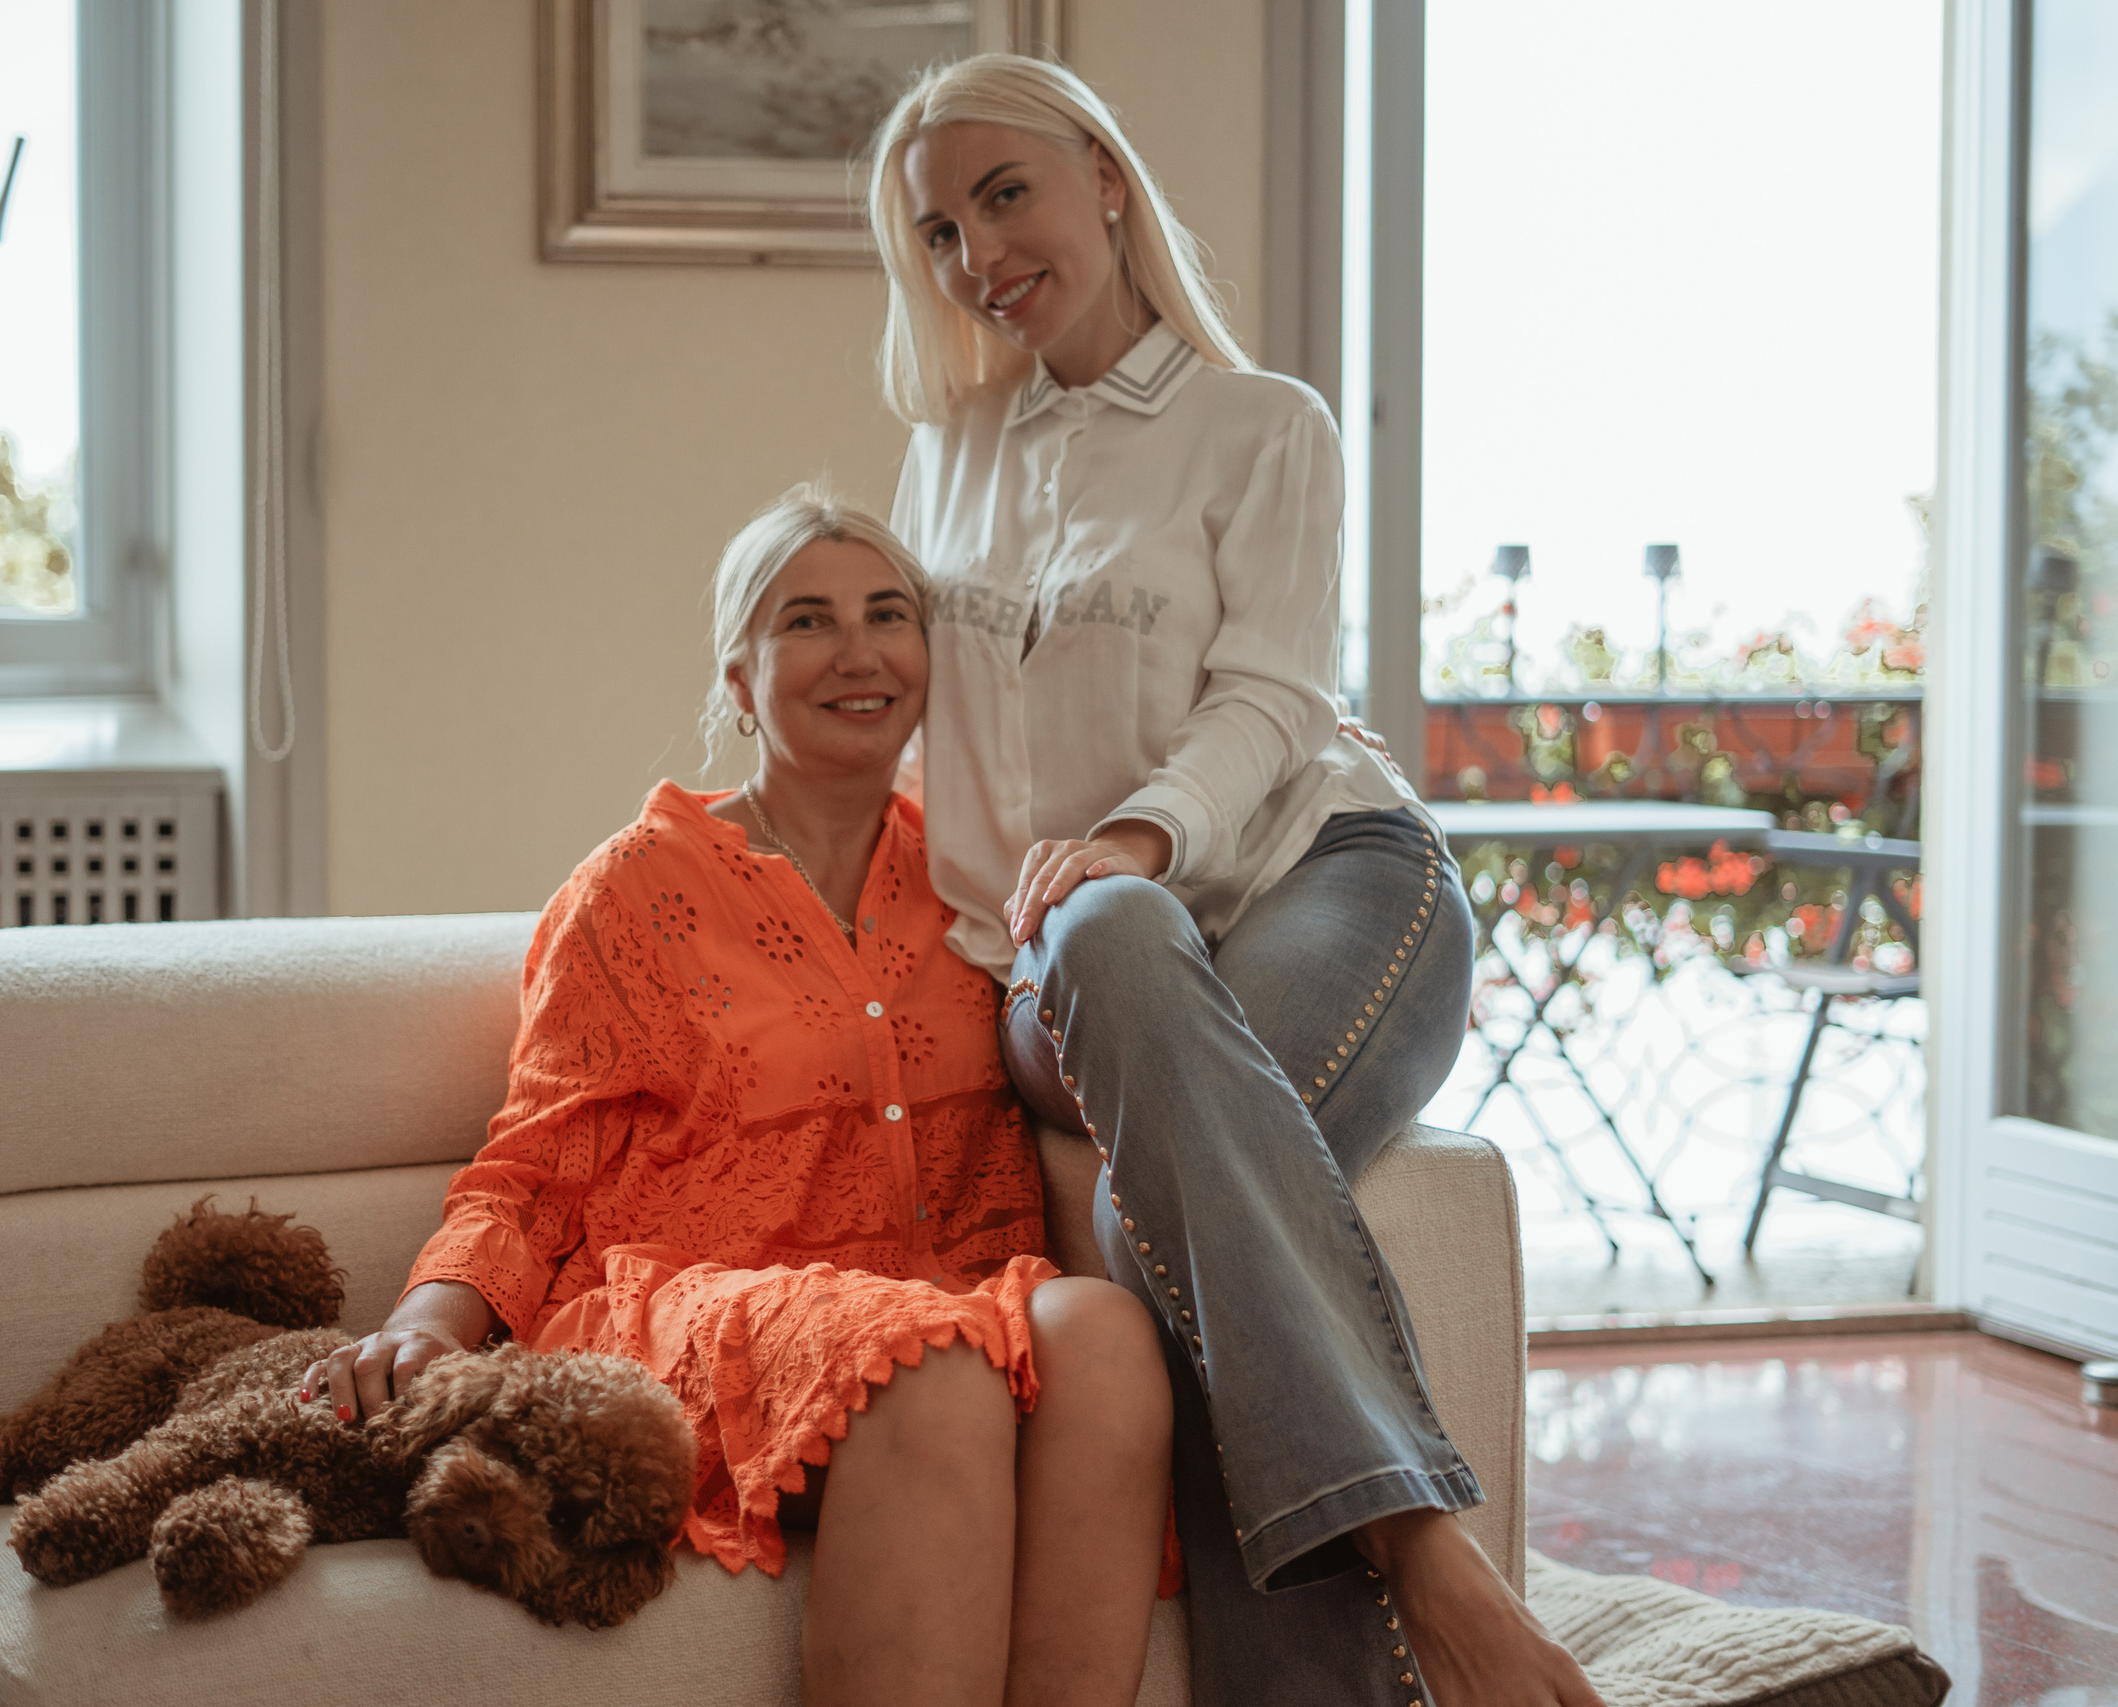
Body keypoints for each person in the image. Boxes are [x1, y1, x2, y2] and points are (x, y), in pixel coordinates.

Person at [867, 55, 1604, 1707]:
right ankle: (1428, 1550)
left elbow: (1272, 700)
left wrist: (1132, 833)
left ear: (1106, 182)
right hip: (1072, 962)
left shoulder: (1263, 425)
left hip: (1321, 877)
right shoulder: (947, 457)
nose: (976, 252)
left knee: (1156, 1225)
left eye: (1004, 196)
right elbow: (920, 745)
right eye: (935, 229)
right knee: (1107, 934)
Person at [304, 486, 1174, 1707]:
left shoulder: (983, 876)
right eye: (806, 622)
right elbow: (533, 1162)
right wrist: (431, 1321)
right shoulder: (634, 890)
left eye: (888, 614)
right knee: (932, 1369)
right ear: (738, 676)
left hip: (956, 1296)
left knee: (1112, 1337)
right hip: (705, 1307)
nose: (858, 652)